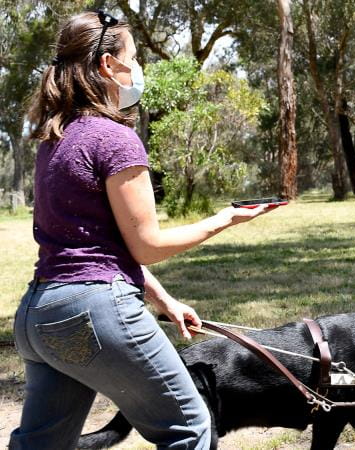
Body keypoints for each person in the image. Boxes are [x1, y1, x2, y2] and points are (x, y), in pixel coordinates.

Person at [9, 11, 276, 450]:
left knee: (42, 445)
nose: (137, 68)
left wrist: (164, 301)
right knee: (190, 427)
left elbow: (99, 242)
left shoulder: (56, 139)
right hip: (92, 312)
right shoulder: (114, 139)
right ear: (108, 65)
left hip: (40, 316)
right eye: (133, 57)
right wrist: (226, 218)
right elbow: (147, 246)